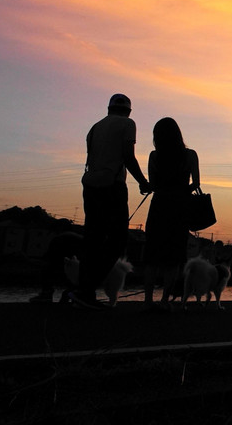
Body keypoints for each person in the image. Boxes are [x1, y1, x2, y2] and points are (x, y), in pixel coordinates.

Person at [74, 93, 150, 310]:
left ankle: (82, 289)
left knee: (93, 237)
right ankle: (87, 289)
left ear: (108, 109)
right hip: (113, 186)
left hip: (90, 186)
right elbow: (128, 156)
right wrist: (143, 182)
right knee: (117, 239)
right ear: (129, 111)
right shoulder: (128, 124)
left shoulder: (94, 127)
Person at [143, 117, 201, 310]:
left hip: (159, 204)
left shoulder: (154, 156)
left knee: (152, 254)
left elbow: (152, 184)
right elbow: (196, 184)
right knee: (173, 256)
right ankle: (165, 300)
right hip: (180, 207)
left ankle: (148, 300)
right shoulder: (190, 155)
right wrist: (184, 189)